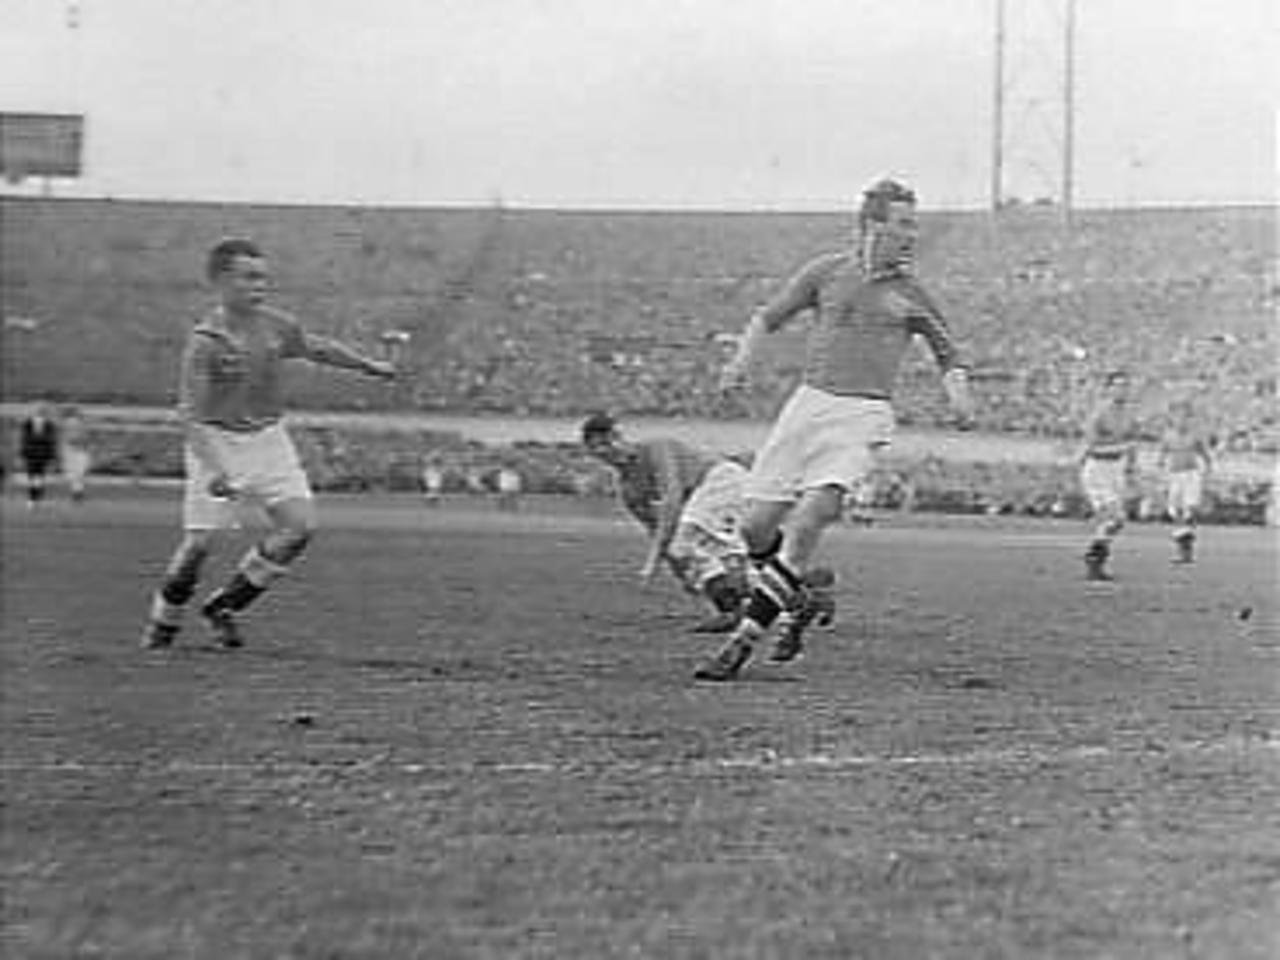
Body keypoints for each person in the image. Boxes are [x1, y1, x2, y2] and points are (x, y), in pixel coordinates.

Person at [696, 177, 974, 681]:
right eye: (903, 224)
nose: (912, 235)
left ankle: (743, 642)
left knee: (810, 518)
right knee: (755, 528)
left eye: (915, 225)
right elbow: (767, 318)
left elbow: (948, 353)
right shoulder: (825, 273)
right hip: (808, 406)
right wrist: (739, 363)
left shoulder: (911, 294)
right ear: (872, 225)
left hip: (863, 414)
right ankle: (799, 596)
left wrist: (958, 394)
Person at [140, 237, 396, 650]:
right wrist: (216, 469)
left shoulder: (276, 325)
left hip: (268, 439)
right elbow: (190, 414)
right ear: (221, 281)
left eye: (263, 278)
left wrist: (369, 366)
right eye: (249, 277)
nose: (260, 286)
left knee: (300, 528)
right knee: (199, 545)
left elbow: (317, 348)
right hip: (217, 442)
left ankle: (224, 606)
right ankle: (163, 622)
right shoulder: (206, 341)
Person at [582, 412, 779, 634]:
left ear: (621, 437)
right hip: (705, 498)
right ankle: (775, 599)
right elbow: (656, 529)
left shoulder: (658, 448)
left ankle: (734, 610)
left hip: (723, 480)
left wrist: (653, 562)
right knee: (702, 552)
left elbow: (672, 498)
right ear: (593, 453)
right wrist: (681, 571)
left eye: (610, 441)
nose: (609, 449)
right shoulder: (628, 489)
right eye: (598, 447)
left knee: (687, 544)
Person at [1078, 369, 1141, 581]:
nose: (1122, 390)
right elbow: (1091, 447)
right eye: (1118, 385)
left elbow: (1132, 445)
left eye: (1126, 386)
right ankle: (1094, 561)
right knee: (1115, 517)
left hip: (1116, 470)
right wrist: (1121, 448)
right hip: (1097, 469)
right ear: (1108, 389)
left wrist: (1131, 470)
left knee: (1117, 521)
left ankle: (1094, 559)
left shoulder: (1130, 416)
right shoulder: (1099, 414)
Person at [1159, 400, 1213, 564]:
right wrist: (1162, 475)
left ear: (1190, 419)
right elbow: (1162, 456)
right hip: (1174, 476)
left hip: (1191, 475)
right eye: (1178, 416)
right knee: (1175, 511)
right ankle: (1183, 546)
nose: (1181, 420)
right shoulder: (1168, 436)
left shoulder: (1195, 436)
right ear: (1172, 418)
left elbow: (1205, 455)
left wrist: (1208, 470)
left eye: (1185, 417)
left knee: (1190, 509)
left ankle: (1187, 545)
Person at [19, 402, 59, 507]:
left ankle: (36, 498)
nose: (39, 413)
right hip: (31, 454)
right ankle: (33, 499)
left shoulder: (49, 425)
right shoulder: (27, 424)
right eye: (37, 410)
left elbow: (51, 441)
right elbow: (23, 440)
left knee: (39, 476)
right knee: (33, 476)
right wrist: (22, 454)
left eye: (41, 411)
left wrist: (52, 456)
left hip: (42, 454)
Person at [59, 404, 92, 503]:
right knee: (77, 475)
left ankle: (77, 496)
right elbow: (74, 437)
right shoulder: (74, 423)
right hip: (76, 450)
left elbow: (74, 437)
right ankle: (77, 496)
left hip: (76, 450)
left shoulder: (72, 423)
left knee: (76, 475)